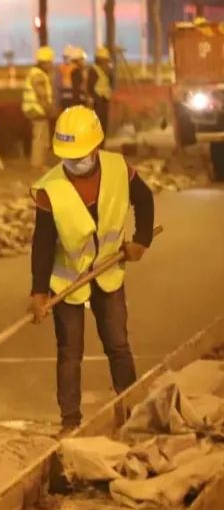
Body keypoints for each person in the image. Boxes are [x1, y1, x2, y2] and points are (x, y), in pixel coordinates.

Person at [28, 106, 155, 432]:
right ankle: (70, 421)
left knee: (117, 344)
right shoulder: (50, 188)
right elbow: (42, 244)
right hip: (67, 280)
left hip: (108, 273)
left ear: (96, 146)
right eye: (68, 157)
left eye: (81, 155)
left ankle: (131, 410)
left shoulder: (118, 168)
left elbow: (144, 199)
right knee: (70, 352)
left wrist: (141, 240)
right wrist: (39, 290)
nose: (75, 162)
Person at [22, 46, 55, 169]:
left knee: (42, 136)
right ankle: (37, 164)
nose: (51, 64)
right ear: (45, 62)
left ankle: (40, 162)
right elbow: (41, 96)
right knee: (40, 137)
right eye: (50, 62)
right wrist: (49, 109)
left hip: (35, 109)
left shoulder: (35, 73)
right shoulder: (39, 75)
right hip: (37, 110)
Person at [85, 47, 112, 139]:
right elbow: (90, 88)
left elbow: (110, 85)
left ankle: (101, 147)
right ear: (100, 60)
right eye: (105, 60)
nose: (107, 62)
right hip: (97, 103)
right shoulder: (94, 70)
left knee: (104, 126)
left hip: (104, 101)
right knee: (98, 127)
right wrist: (95, 99)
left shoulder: (106, 71)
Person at [57, 45, 87, 112]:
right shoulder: (76, 71)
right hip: (75, 102)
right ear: (77, 60)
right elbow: (76, 90)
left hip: (65, 101)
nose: (83, 62)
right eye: (82, 59)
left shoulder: (66, 69)